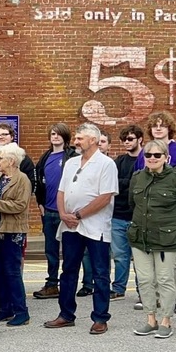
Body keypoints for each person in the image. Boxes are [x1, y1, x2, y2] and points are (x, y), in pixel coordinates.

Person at [43, 123, 118, 335]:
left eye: (80, 138)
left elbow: (105, 197)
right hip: (70, 226)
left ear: (93, 140)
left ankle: (100, 318)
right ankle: (66, 314)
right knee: (68, 271)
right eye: (75, 138)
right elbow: (61, 191)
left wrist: (78, 215)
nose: (75, 142)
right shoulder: (71, 163)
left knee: (100, 272)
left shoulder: (106, 164)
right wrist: (63, 214)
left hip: (95, 227)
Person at [128, 140, 176, 339]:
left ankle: (166, 320)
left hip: (167, 239)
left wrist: (171, 223)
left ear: (166, 158)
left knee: (165, 279)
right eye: (148, 155)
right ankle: (150, 319)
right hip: (140, 237)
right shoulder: (137, 178)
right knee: (145, 279)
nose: (152, 158)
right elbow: (132, 204)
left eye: (157, 155)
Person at [136, 111, 176, 314]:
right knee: (150, 257)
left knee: (174, 258)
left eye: (162, 125)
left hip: (172, 213)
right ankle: (154, 297)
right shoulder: (144, 152)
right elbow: (138, 180)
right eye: (154, 125)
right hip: (148, 215)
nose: (158, 128)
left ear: (169, 128)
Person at [33, 123, 78, 300]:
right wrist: (40, 204)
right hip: (49, 211)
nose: (55, 137)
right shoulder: (45, 157)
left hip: (66, 211)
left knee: (69, 250)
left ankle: (68, 284)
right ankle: (52, 284)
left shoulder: (73, 156)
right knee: (50, 251)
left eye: (59, 134)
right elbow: (39, 182)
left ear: (65, 137)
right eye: (52, 134)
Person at [0, 143, 32, 326]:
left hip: (14, 230)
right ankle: (5, 308)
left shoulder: (22, 179)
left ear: (12, 161)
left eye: (1, 158)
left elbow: (20, 205)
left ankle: (21, 311)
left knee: (12, 271)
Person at [111, 125, 143, 302]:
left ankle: (143, 291)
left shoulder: (147, 159)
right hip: (118, 215)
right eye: (124, 140)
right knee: (120, 256)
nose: (126, 142)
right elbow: (113, 185)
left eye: (130, 139)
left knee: (140, 258)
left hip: (138, 217)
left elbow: (138, 186)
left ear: (140, 139)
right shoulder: (119, 162)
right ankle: (118, 288)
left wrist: (125, 184)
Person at [0, 123, 36, 188]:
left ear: (12, 137)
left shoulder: (21, 156)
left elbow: (31, 180)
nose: (0, 137)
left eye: (4, 134)